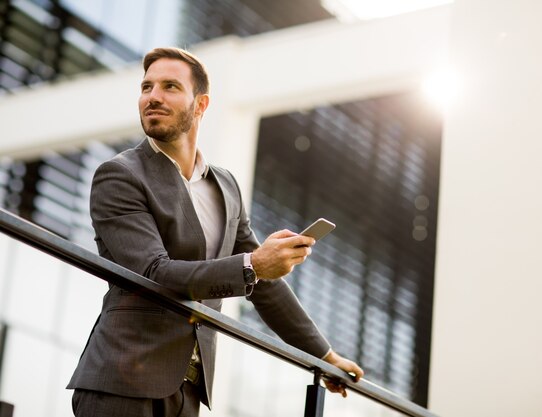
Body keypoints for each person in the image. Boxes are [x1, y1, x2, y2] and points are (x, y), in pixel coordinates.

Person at [67, 47, 363, 416]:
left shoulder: (225, 187)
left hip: (189, 391)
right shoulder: (120, 175)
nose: (153, 97)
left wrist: (325, 354)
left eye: (170, 86)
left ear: (201, 105)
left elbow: (264, 285)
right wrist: (253, 265)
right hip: (122, 386)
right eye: (146, 87)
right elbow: (154, 273)